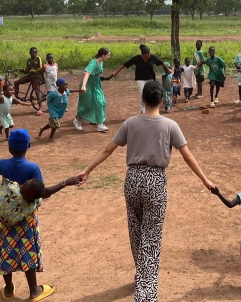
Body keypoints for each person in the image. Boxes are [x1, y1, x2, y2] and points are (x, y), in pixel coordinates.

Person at [77, 80, 216, 302]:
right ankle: (146, 295)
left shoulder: (131, 123)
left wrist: (87, 170)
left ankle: (142, 275)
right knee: (151, 238)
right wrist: (205, 179)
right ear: (162, 99)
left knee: (136, 231)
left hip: (132, 180)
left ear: (143, 99)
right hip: (155, 181)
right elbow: (188, 156)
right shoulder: (170, 126)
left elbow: (107, 149)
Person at [0, 130, 80, 301]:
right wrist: (65, 182)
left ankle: (8, 289)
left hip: (8, 220)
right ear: (28, 145)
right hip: (27, 220)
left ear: (9, 146)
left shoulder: (2, 164)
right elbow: (43, 192)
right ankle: (34, 290)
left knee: (7, 250)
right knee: (27, 251)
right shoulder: (32, 168)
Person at [112, 44, 172, 113]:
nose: (146, 58)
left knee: (151, 94)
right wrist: (116, 72)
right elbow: (125, 64)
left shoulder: (153, 57)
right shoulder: (137, 58)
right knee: (142, 94)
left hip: (150, 78)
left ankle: (150, 109)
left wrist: (167, 70)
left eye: (148, 56)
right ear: (141, 55)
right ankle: (143, 111)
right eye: (145, 56)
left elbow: (162, 63)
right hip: (140, 79)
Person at [75, 48, 112, 132]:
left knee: (101, 102)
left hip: (96, 85)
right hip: (88, 85)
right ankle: (77, 121)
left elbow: (96, 74)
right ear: (103, 55)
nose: (109, 57)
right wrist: (84, 86)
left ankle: (100, 124)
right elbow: (87, 74)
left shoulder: (101, 62)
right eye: (108, 55)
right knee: (87, 104)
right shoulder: (93, 63)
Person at [14, 47, 44, 112]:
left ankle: (40, 108)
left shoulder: (38, 58)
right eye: (33, 52)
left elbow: (40, 68)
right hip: (30, 76)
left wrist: (33, 70)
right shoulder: (29, 60)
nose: (34, 54)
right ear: (29, 53)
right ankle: (16, 99)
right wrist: (23, 71)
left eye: (35, 52)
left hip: (36, 76)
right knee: (16, 82)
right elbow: (27, 70)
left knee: (37, 90)